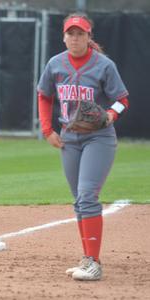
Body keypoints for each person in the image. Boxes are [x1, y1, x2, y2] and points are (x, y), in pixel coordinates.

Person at [37, 13, 129, 281]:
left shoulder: (104, 65)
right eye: (71, 33)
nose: (75, 38)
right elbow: (44, 95)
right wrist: (46, 130)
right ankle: (88, 257)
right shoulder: (55, 64)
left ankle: (94, 263)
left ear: (89, 37)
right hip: (69, 138)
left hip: (98, 138)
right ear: (63, 37)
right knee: (80, 201)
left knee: (87, 196)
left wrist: (111, 114)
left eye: (80, 34)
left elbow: (122, 99)